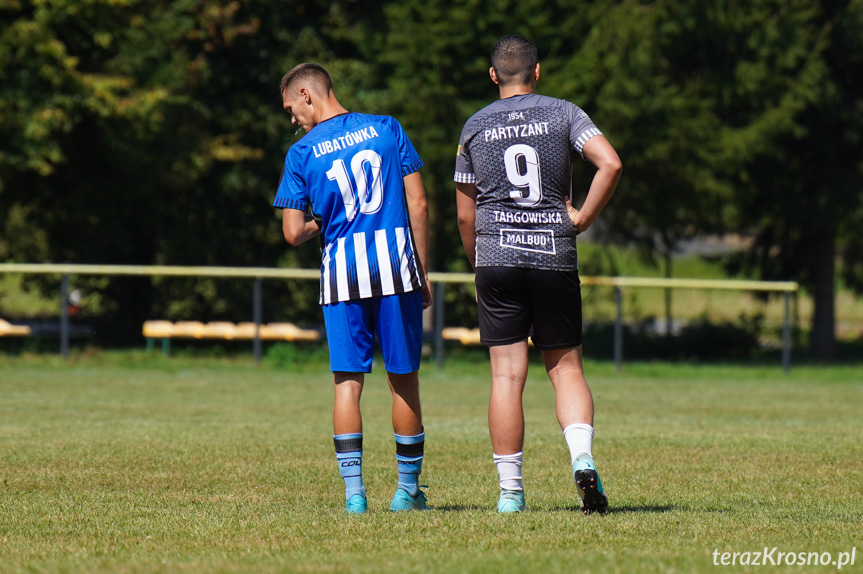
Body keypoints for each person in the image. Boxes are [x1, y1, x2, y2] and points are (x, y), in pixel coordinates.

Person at [454, 35, 622, 514]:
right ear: (537, 71)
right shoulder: (565, 113)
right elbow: (609, 162)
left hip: (497, 258)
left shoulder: (474, 127)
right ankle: (582, 459)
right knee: (565, 368)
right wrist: (584, 218)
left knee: (507, 377)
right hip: (553, 254)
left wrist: (479, 259)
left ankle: (511, 493)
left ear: (493, 76)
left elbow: (466, 216)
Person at [274, 63, 432, 514]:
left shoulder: (302, 153)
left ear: (307, 94)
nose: (292, 119)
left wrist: (323, 218)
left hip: (341, 274)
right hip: (395, 267)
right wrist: (420, 270)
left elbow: (292, 231)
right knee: (403, 382)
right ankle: (406, 492)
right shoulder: (387, 128)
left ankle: (354, 495)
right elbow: (417, 203)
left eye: (291, 108)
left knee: (347, 384)